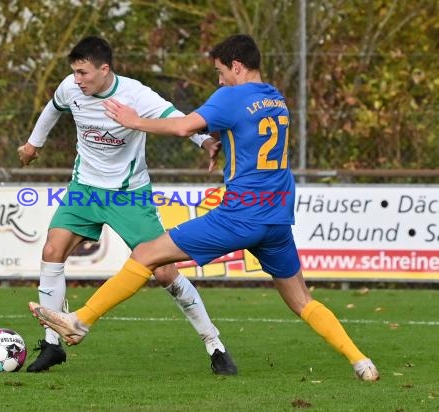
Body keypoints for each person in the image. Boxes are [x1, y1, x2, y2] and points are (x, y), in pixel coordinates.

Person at [29, 34, 380, 381]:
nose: (219, 80)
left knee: (147, 255)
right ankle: (360, 361)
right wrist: (210, 141)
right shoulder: (276, 98)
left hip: (239, 216)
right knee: (302, 301)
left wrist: (135, 122)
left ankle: (80, 320)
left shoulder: (231, 97)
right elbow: (224, 132)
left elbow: (183, 126)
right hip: (277, 217)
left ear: (237, 66)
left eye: (220, 71)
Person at [18, 36, 237, 375]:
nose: (77, 80)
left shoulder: (136, 95)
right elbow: (53, 108)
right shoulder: (70, 88)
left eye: (84, 73)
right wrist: (34, 144)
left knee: (165, 271)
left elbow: (175, 117)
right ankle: (51, 343)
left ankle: (214, 344)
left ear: (104, 70)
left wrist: (205, 140)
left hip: (128, 195)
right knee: (52, 249)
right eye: (74, 73)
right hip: (85, 189)